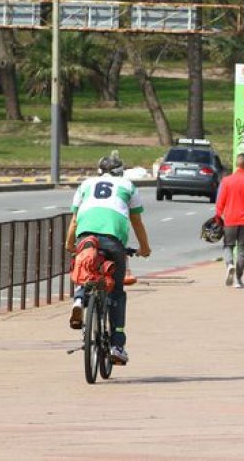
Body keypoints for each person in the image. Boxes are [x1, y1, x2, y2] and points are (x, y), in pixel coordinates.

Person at [65, 155, 151, 366]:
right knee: (117, 293)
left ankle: (79, 299)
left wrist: (69, 244)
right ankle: (117, 345)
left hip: (86, 237)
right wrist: (145, 248)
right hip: (113, 241)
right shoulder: (128, 186)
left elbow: (75, 220)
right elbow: (136, 221)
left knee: (84, 268)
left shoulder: (85, 185)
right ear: (121, 171)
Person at [215, 153, 244, 288]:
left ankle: (229, 264)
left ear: (236, 164)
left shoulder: (226, 181)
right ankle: (238, 279)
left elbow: (220, 201)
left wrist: (218, 216)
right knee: (242, 249)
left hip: (230, 220)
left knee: (228, 246)